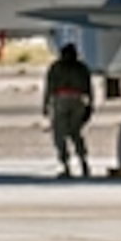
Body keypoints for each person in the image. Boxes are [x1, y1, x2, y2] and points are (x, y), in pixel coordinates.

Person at [43, 42, 93, 178]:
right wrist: (90, 106)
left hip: (61, 100)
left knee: (60, 134)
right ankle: (83, 162)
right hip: (78, 101)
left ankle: (66, 165)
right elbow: (89, 88)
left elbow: (49, 87)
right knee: (75, 133)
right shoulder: (82, 68)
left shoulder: (56, 67)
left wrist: (46, 105)